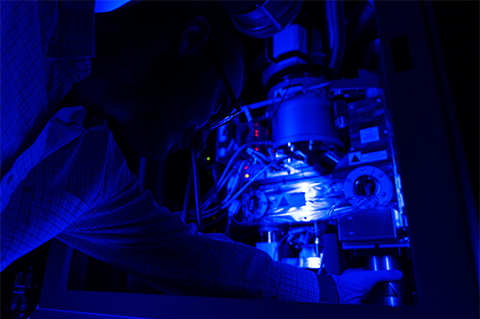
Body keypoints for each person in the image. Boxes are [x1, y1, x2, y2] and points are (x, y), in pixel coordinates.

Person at [1, 0, 402, 303]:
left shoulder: (90, 172)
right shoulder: (25, 15)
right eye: (217, 109)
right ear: (192, 38)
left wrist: (329, 291)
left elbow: (181, 255)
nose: (198, 142)